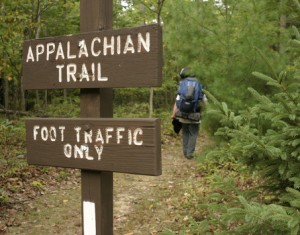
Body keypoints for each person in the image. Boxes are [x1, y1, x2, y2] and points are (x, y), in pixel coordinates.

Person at [172, 67, 207, 159]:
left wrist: (174, 114)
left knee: (185, 132)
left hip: (183, 112)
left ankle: (185, 151)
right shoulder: (199, 84)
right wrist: (207, 111)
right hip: (195, 114)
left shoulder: (182, 84)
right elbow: (204, 100)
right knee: (193, 133)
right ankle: (190, 154)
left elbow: (177, 100)